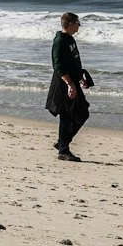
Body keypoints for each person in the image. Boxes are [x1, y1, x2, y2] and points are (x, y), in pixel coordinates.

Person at [45, 11, 95, 162]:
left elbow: (74, 62)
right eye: (77, 23)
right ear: (70, 24)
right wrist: (70, 84)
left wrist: (81, 79)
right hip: (64, 83)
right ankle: (63, 149)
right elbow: (58, 65)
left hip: (73, 81)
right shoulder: (60, 41)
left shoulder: (70, 39)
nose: (79, 26)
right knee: (67, 115)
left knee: (82, 112)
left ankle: (62, 143)